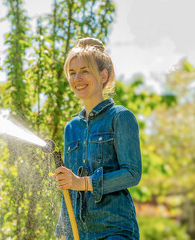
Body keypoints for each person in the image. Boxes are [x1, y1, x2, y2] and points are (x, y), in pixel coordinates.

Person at [52, 37, 142, 240]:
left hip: (115, 230)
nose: (77, 78)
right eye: (72, 73)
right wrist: (63, 233)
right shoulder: (71, 128)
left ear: (103, 75)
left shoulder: (120, 117)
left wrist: (83, 183)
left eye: (85, 70)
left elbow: (132, 173)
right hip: (81, 235)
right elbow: (69, 186)